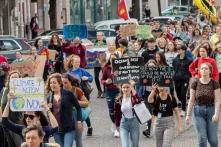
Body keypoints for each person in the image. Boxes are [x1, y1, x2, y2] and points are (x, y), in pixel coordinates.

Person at [186, 62, 221, 147]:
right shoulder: (195, 82)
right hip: (198, 111)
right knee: (202, 137)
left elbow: (217, 100)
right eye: (202, 68)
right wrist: (188, 115)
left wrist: (216, 114)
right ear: (199, 71)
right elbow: (191, 100)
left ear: (210, 71)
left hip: (211, 110)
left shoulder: (214, 83)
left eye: (206, 68)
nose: (204, 70)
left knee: (213, 139)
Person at [46, 73, 82, 147]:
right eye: (50, 83)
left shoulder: (68, 94)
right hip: (56, 130)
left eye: (54, 82)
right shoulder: (49, 97)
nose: (52, 85)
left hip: (68, 128)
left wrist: (78, 121)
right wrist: (48, 108)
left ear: (59, 83)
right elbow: (49, 115)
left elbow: (78, 108)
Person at [66, 55, 93, 136]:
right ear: (72, 62)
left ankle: (89, 126)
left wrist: (87, 78)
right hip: (71, 94)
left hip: (82, 94)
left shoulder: (82, 71)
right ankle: (75, 128)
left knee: (83, 111)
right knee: (73, 111)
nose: (77, 63)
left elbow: (91, 78)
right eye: (76, 62)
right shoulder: (68, 72)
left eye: (79, 62)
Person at [62, 73, 89, 147]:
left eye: (66, 83)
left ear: (70, 82)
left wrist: (75, 102)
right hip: (64, 121)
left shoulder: (77, 90)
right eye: (62, 83)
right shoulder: (60, 91)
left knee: (78, 141)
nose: (64, 85)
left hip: (76, 119)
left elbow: (86, 103)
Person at [114, 80, 142, 147]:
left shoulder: (134, 98)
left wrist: (132, 87)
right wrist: (117, 125)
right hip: (124, 123)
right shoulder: (119, 100)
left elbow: (138, 101)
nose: (125, 89)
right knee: (125, 145)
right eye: (124, 87)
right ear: (121, 88)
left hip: (134, 123)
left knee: (135, 145)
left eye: (127, 87)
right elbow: (117, 114)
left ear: (130, 88)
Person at [101, 54, 120, 137]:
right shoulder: (106, 68)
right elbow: (102, 80)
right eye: (111, 59)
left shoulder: (121, 68)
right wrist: (105, 82)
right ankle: (114, 124)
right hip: (109, 91)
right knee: (111, 109)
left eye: (115, 59)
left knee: (119, 108)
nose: (113, 61)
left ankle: (118, 127)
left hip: (119, 91)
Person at [173, 45, 192, 117]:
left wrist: (188, 77)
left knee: (183, 94)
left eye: (179, 49)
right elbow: (174, 68)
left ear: (184, 50)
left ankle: (183, 109)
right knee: (178, 94)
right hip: (176, 79)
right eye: (177, 49)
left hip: (185, 80)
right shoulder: (175, 59)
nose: (178, 50)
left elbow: (190, 70)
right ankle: (183, 102)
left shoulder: (189, 60)